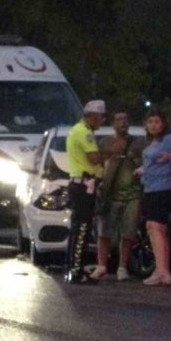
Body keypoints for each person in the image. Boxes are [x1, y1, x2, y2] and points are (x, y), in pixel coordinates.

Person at [90, 110, 146, 281]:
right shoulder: (104, 143)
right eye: (119, 119)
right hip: (109, 194)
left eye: (125, 118)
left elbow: (145, 164)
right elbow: (96, 164)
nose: (123, 122)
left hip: (132, 194)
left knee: (128, 232)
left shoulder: (138, 143)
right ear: (113, 123)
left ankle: (122, 267)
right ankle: (102, 265)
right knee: (104, 232)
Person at [64, 99, 112, 284]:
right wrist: (111, 152)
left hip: (79, 183)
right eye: (101, 117)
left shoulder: (76, 130)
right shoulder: (85, 133)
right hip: (85, 185)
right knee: (82, 228)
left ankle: (73, 267)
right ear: (92, 116)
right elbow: (93, 159)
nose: (103, 121)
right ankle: (77, 271)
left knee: (77, 228)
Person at [139, 109, 171, 286]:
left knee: (156, 227)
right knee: (154, 228)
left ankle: (162, 271)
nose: (153, 125)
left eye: (157, 122)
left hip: (164, 188)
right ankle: (163, 270)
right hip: (151, 188)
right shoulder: (153, 142)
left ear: (163, 124)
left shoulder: (168, 140)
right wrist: (142, 170)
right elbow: (152, 164)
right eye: (150, 121)